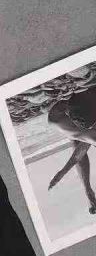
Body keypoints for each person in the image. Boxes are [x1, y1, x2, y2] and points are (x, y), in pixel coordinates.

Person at [47, 86, 96, 214]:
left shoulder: (87, 135)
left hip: (62, 114)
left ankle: (87, 189)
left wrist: (63, 172)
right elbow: (79, 153)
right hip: (62, 114)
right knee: (82, 137)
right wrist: (62, 172)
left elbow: (79, 153)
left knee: (82, 138)